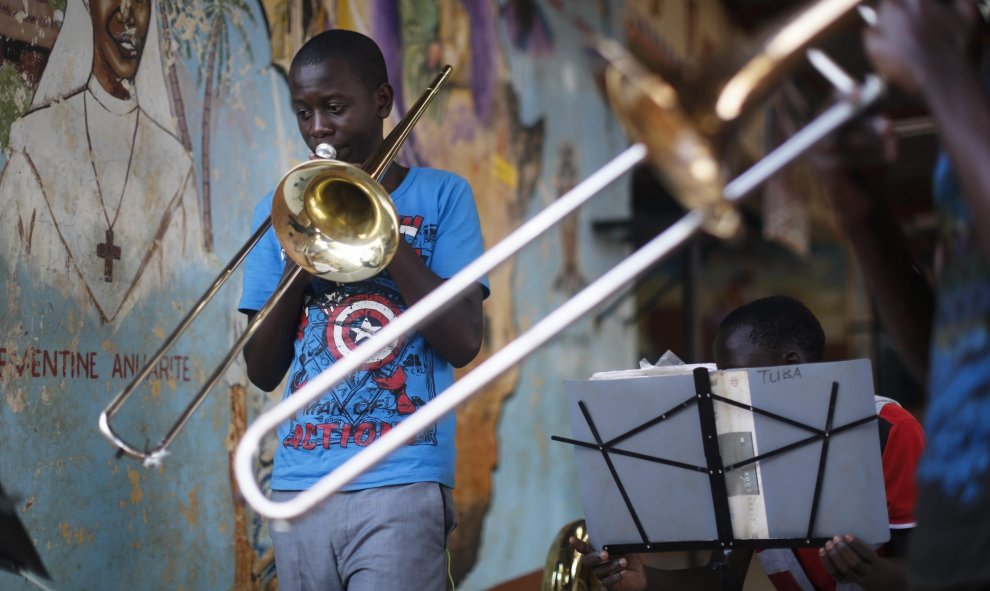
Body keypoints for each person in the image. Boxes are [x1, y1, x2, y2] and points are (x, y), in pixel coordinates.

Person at [238, 29, 488, 591]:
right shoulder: (280, 210)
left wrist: (382, 234)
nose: (318, 129)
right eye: (304, 112)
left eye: (333, 108)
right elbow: (261, 368)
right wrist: (301, 254)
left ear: (381, 101)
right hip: (300, 483)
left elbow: (464, 340)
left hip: (402, 481)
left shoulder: (443, 196)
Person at [809, 1, 990, 588]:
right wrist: (863, 215)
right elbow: (951, 358)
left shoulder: (960, 83)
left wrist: (940, 71)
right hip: (959, 535)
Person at [571, 295, 925, 591]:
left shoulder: (888, 430)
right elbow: (722, 579)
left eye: (736, 377)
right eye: (721, 379)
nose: (726, 393)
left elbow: (934, 573)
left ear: (791, 365)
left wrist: (870, 571)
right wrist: (644, 579)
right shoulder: (738, 444)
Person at [0, 0, 201, 323]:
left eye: (140, 2)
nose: (127, 14)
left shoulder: (175, 167)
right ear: (87, 6)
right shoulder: (33, 142)